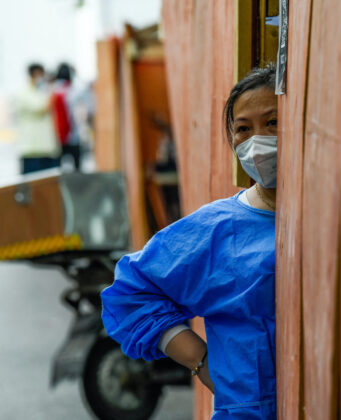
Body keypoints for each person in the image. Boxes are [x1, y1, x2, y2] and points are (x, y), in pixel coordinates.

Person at [101, 65, 279, 420]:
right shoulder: (218, 228)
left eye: (272, 123)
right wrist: (201, 362)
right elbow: (133, 292)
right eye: (243, 128)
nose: (257, 140)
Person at [14, 63, 60, 174]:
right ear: (34, 75)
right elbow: (43, 108)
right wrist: (51, 89)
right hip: (33, 152)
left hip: (48, 150)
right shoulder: (23, 93)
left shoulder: (41, 92)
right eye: (41, 75)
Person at [51, 63, 81, 171]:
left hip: (59, 135)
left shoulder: (53, 90)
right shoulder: (74, 90)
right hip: (72, 133)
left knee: (58, 169)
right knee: (76, 167)